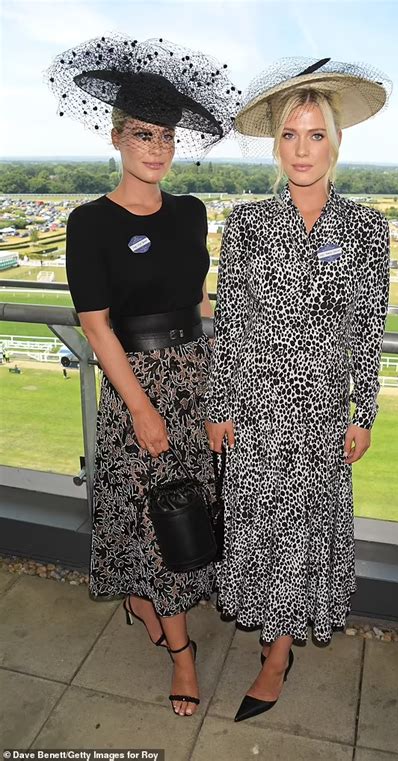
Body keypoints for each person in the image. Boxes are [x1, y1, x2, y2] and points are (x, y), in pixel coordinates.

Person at [47, 33, 239, 717]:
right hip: (138, 383)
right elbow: (97, 325)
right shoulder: (89, 222)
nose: (157, 148)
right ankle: (182, 655)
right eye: (143, 134)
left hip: (198, 374)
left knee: (190, 509)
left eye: (167, 137)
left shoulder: (191, 212)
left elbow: (198, 300)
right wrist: (142, 409)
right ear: (117, 137)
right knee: (158, 517)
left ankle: (147, 597)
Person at [205, 56, 391, 722]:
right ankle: (275, 638)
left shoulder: (366, 228)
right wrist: (220, 405)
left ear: (335, 143)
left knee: (302, 533)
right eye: (290, 135)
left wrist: (364, 412)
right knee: (263, 530)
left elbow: (369, 327)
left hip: (319, 419)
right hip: (255, 413)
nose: (302, 149)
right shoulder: (248, 224)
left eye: (315, 134)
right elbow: (228, 321)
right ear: (275, 145)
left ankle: (277, 655)